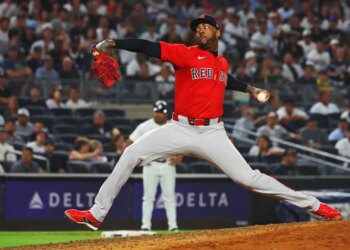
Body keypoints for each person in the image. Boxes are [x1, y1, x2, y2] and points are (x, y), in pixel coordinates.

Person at [65, 15, 342, 231]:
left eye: (205, 27)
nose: (200, 30)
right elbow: (148, 47)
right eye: (197, 28)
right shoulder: (185, 53)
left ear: (217, 32)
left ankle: (315, 206)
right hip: (179, 127)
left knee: (247, 178)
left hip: (212, 132)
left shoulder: (221, 63)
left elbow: (227, 80)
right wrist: (114, 43)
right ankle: (96, 214)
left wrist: (252, 90)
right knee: (131, 153)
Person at [127, 100, 182, 231]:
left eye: (161, 112)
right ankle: (145, 226)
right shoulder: (144, 126)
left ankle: (173, 226)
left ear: (166, 113)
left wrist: (179, 157)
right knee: (148, 197)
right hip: (150, 165)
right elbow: (130, 142)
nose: (158, 115)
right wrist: (141, 159)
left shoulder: (172, 126)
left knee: (169, 197)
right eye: (156, 112)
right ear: (153, 112)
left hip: (168, 164)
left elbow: (182, 143)